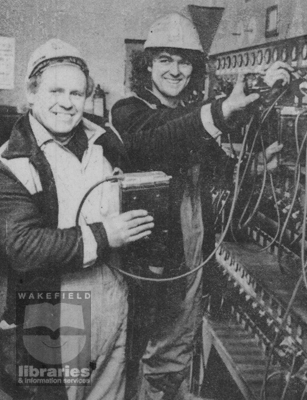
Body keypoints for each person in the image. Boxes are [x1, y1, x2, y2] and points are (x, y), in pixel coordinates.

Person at [0, 36, 277, 400]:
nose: (66, 104)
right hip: (53, 306)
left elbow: (163, 140)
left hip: (115, 299)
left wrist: (239, 141)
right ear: (31, 94)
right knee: (53, 395)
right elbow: (22, 247)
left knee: (113, 392)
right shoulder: (13, 162)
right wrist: (104, 235)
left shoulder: (103, 140)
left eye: (76, 93)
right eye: (55, 91)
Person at [111, 12, 291, 400]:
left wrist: (258, 166)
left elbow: (218, 169)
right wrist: (223, 109)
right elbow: (162, 140)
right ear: (148, 65)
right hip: (153, 260)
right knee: (144, 350)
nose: (175, 71)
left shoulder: (190, 118)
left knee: (176, 349)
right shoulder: (128, 112)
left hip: (191, 255)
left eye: (185, 61)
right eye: (165, 60)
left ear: (194, 68)